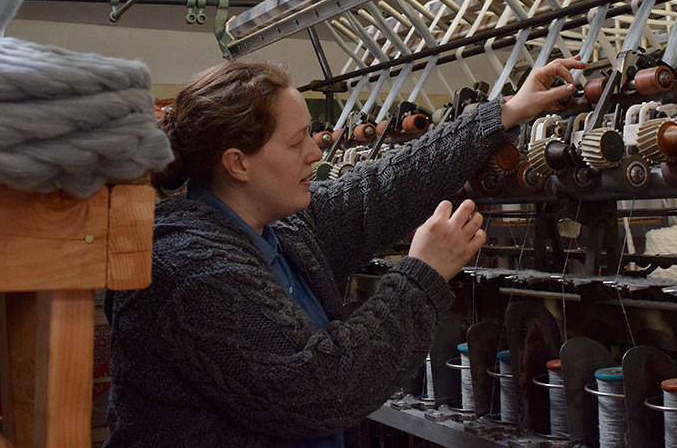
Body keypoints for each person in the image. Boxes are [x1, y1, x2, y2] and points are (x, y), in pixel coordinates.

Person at [105, 55, 585, 446]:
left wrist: (504, 113)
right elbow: (321, 389)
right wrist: (422, 273)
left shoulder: (282, 230)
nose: (315, 153)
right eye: (296, 143)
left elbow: (380, 190)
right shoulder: (190, 267)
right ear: (238, 163)